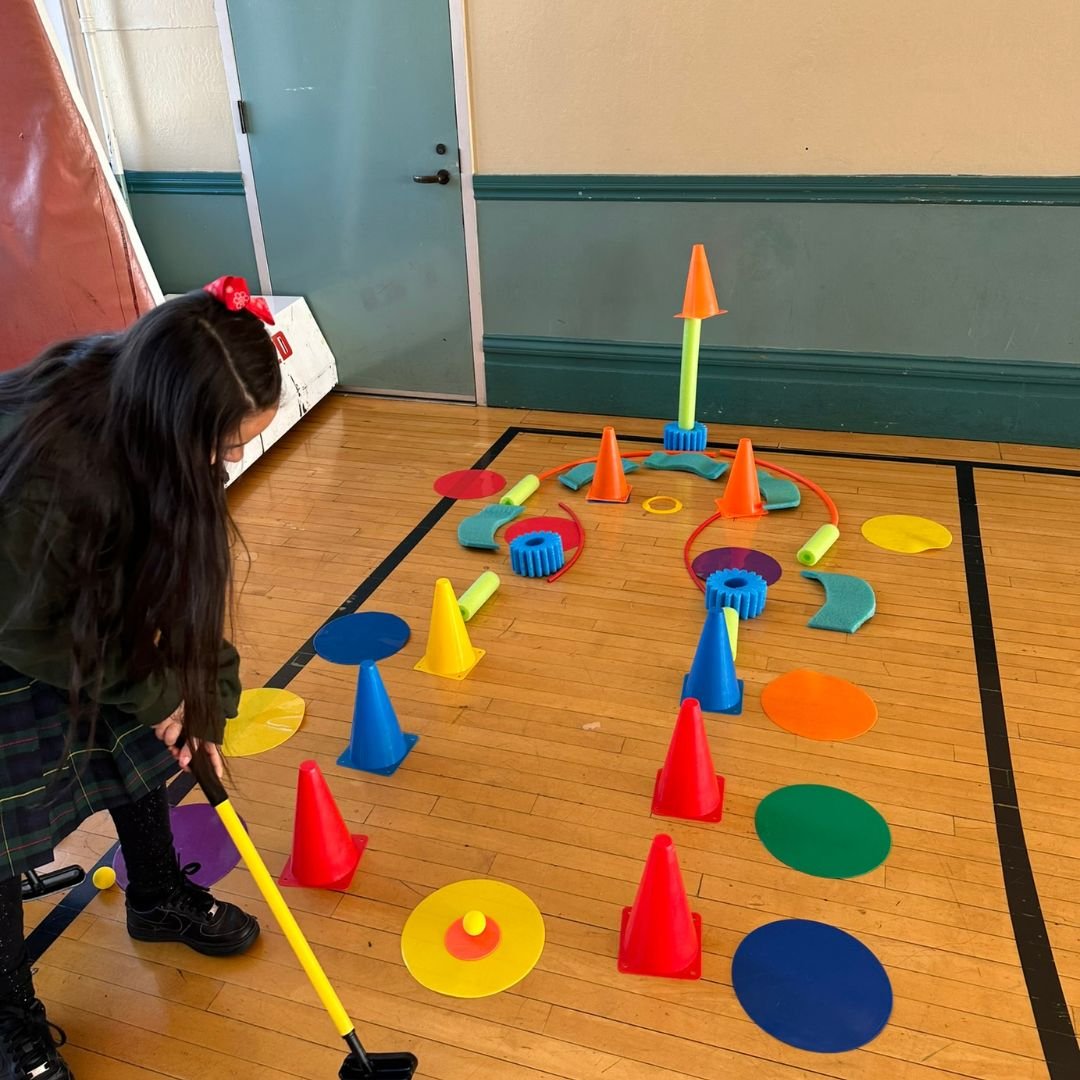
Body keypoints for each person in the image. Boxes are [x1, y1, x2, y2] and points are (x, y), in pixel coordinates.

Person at [0, 278, 282, 1080]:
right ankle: (9, 1015)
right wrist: (161, 693)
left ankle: (157, 897)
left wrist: (206, 702)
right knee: (1, 826)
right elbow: (33, 629)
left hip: (53, 599)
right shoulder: (53, 470)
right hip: (10, 615)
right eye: (223, 444)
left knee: (134, 737)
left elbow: (185, 575)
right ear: (175, 418)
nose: (227, 463)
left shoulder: (150, 422)